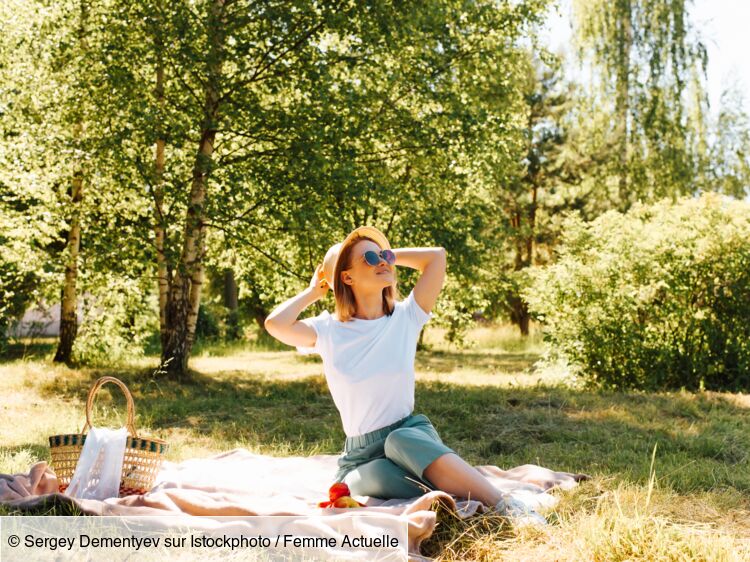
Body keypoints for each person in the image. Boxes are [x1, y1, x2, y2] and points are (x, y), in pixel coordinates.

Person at [264, 226, 545, 523]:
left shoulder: (406, 316)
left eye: (383, 256)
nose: (382, 262)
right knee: (357, 483)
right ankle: (465, 485)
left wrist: (386, 256)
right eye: (370, 258)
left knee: (398, 440)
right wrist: (313, 292)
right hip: (360, 456)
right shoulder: (327, 330)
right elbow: (276, 324)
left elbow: (437, 258)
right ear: (346, 278)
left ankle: (506, 504)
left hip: (410, 435)